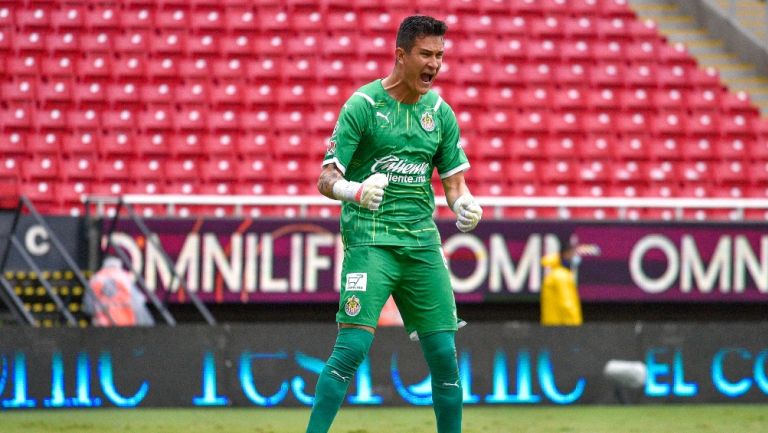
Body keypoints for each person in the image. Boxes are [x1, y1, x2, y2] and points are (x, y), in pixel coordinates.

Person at [306, 15, 482, 433]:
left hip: (421, 242)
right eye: (426, 54)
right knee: (351, 347)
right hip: (370, 240)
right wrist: (355, 191)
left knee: (444, 355)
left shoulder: (439, 113)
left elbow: (455, 185)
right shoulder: (363, 106)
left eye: (440, 55)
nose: (434, 64)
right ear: (401, 55)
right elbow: (326, 177)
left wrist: (465, 205)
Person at [83, 256, 155, 326]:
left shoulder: (95, 279)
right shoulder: (124, 277)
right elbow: (138, 303)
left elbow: (88, 307)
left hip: (102, 325)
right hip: (125, 324)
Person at [540, 240, 583, 326]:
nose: (575, 257)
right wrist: (576, 326)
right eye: (573, 254)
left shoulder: (556, 274)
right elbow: (567, 304)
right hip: (560, 328)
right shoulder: (561, 276)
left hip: (552, 326)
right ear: (566, 254)